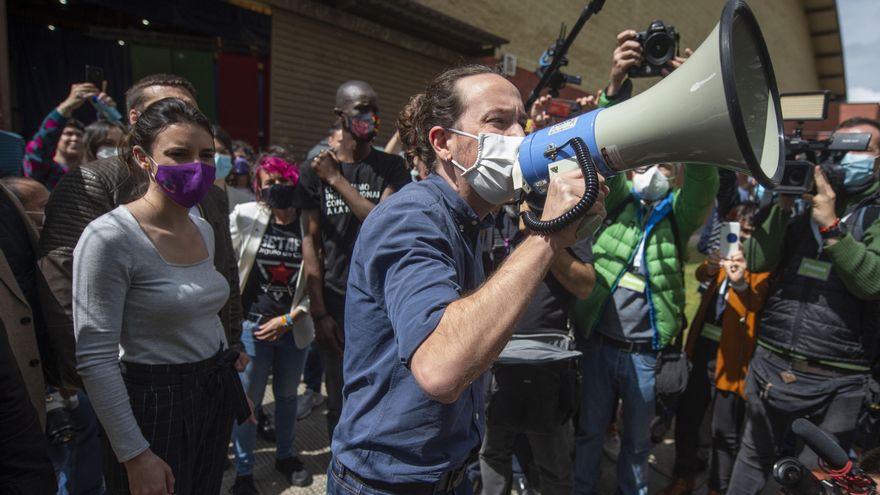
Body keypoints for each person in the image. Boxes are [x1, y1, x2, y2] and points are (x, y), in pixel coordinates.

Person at [327, 64, 605, 494]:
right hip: (388, 484)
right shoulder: (412, 217)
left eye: (522, 123)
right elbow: (442, 369)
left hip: (448, 473)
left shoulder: (470, 220)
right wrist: (546, 236)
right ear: (444, 143)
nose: (519, 137)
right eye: (498, 122)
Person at [74, 97, 251, 495]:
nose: (197, 166)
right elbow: (95, 359)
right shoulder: (109, 238)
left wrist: (229, 382)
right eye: (178, 153)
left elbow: (203, 313)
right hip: (153, 406)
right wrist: (135, 454)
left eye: (207, 154)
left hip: (211, 393)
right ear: (142, 157)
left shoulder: (202, 227)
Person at [38, 73, 245, 391]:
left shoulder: (212, 195)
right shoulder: (94, 183)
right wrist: (96, 383)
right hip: (135, 377)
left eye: (189, 110)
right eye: (168, 108)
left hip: (208, 370)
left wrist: (232, 346)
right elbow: (62, 287)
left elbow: (226, 271)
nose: (183, 118)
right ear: (135, 119)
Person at [727, 118, 880, 494]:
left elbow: (871, 282)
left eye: (864, 147)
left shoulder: (873, 213)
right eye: (842, 148)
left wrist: (830, 225)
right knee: (751, 460)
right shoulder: (799, 199)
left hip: (839, 376)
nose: (851, 157)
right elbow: (757, 258)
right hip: (773, 362)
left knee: (817, 479)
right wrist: (781, 203)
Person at [296, 80, 409, 439]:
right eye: (362, 109)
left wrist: (337, 181)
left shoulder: (392, 168)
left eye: (374, 109)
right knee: (341, 398)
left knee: (387, 393)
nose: (370, 118)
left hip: (385, 301)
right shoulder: (312, 171)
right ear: (339, 115)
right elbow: (310, 242)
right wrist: (319, 312)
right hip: (337, 301)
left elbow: (382, 223)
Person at [479, 194, 596, 495]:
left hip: (546, 363)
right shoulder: (489, 217)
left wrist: (541, 236)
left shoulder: (565, 219)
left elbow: (585, 285)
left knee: (553, 463)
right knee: (492, 453)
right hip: (495, 361)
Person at [661, 202, 770, 495]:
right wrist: (711, 266)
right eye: (735, 232)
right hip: (703, 350)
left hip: (734, 359)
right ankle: (682, 477)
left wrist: (741, 283)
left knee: (726, 430)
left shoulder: (760, 267)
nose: (740, 240)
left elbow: (757, 305)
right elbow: (700, 278)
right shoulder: (726, 256)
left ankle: (716, 487)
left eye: (747, 233)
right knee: (687, 418)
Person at [229, 153, 313, 493]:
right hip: (252, 330)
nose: (278, 188)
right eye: (269, 184)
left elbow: (317, 283)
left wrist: (290, 318)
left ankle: (285, 455)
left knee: (287, 397)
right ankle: (245, 472)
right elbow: (229, 268)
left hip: (292, 327)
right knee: (247, 403)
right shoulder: (246, 216)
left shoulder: (309, 223)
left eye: (283, 181)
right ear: (258, 189)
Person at [23, 82, 116, 189]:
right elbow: (37, 149)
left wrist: (109, 115)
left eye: (79, 135)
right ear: (56, 138)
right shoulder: (44, 172)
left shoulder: (92, 173)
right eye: (68, 134)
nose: (74, 138)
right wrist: (65, 107)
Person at [213, 125, 255, 210]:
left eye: (223, 152)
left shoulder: (245, 202)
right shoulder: (190, 202)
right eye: (211, 152)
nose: (218, 157)